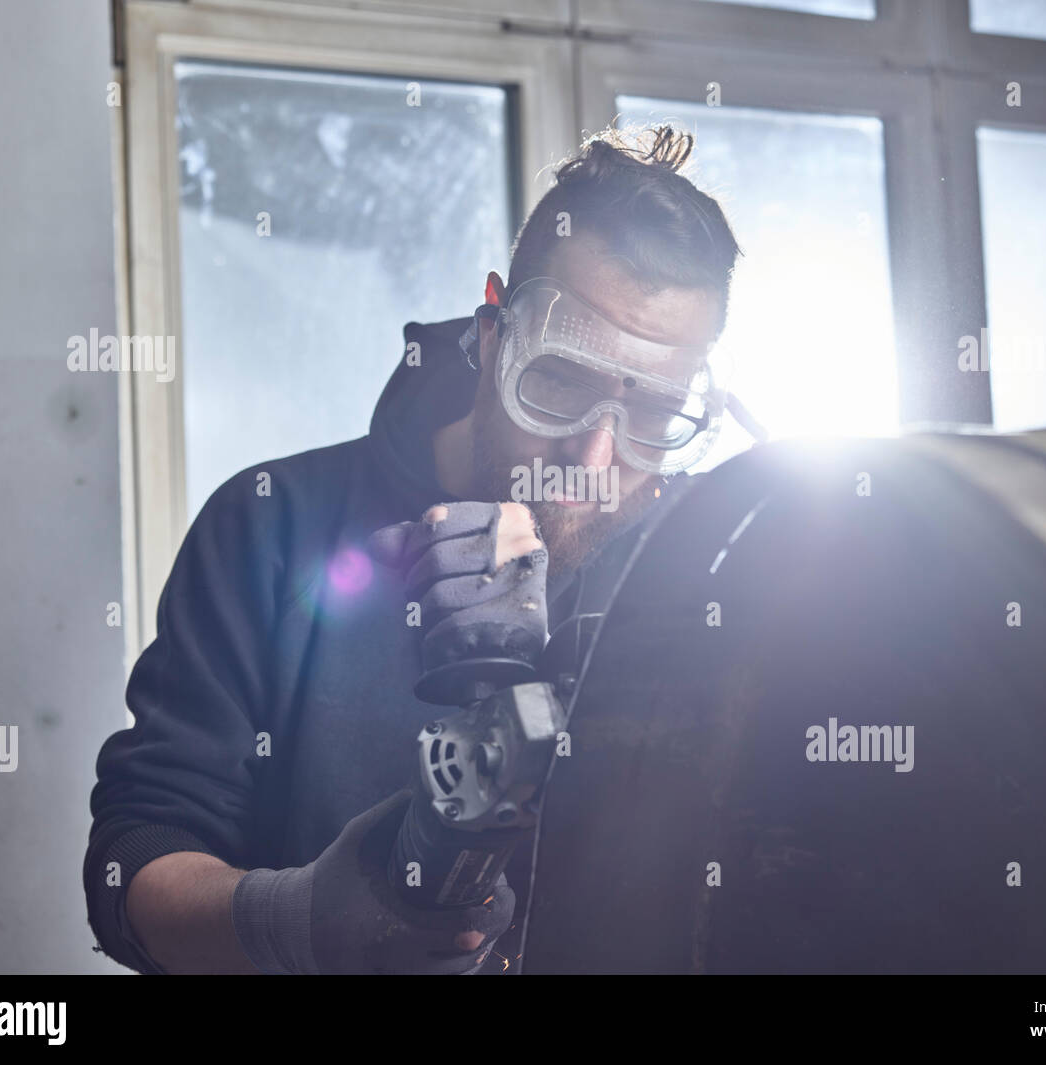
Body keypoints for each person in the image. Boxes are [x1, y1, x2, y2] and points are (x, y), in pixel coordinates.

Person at [83, 124, 744, 974]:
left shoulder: (705, 571)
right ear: (493, 330)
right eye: (561, 382)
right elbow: (131, 862)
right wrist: (293, 922)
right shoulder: (271, 526)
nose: (592, 461)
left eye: (651, 413)